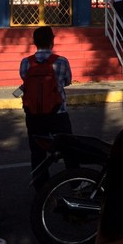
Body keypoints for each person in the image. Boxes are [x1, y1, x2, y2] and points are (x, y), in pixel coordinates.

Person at [19, 26, 73, 190]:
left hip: (34, 114)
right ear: (52, 41)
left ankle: (42, 188)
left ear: (34, 42)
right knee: (68, 148)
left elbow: (24, 79)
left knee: (37, 152)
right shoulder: (61, 61)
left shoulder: (26, 63)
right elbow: (68, 81)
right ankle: (76, 183)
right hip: (58, 113)